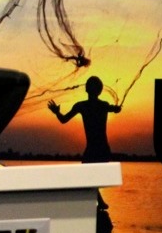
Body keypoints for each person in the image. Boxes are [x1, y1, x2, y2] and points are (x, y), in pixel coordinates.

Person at [47, 75, 122, 210]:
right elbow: (115, 109)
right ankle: (98, 202)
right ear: (99, 91)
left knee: (88, 177)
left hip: (97, 148)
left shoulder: (84, 106)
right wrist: (57, 112)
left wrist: (57, 113)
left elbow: (63, 120)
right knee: (89, 177)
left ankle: (98, 202)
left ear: (88, 89)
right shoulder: (100, 105)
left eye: (90, 85)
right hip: (100, 148)